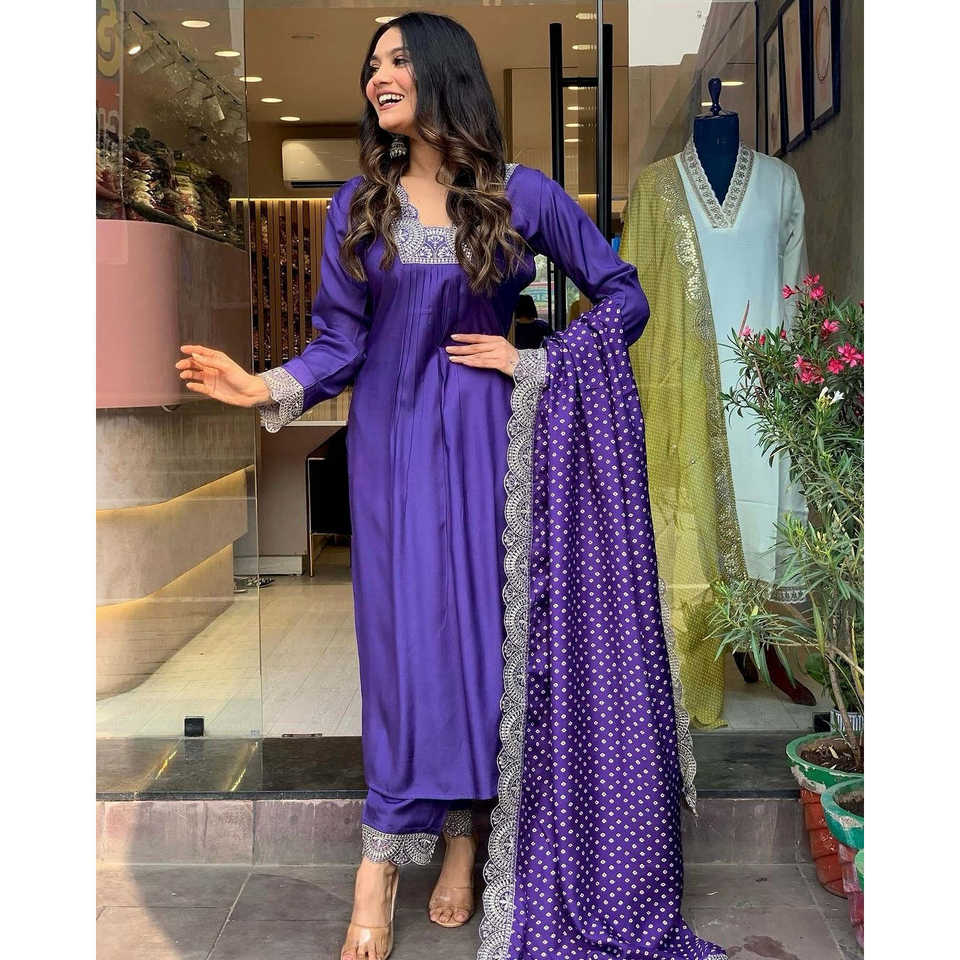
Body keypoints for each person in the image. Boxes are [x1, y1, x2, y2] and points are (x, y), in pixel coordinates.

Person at [176, 12, 724, 960]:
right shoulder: (358, 206)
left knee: (482, 643)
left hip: (487, 445)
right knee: (398, 650)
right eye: (370, 65)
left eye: (395, 60)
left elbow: (625, 295)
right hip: (389, 450)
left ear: (441, 71)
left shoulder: (522, 195)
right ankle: (381, 858)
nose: (375, 77)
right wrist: (262, 385)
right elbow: (340, 343)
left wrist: (536, 360)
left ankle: (466, 835)